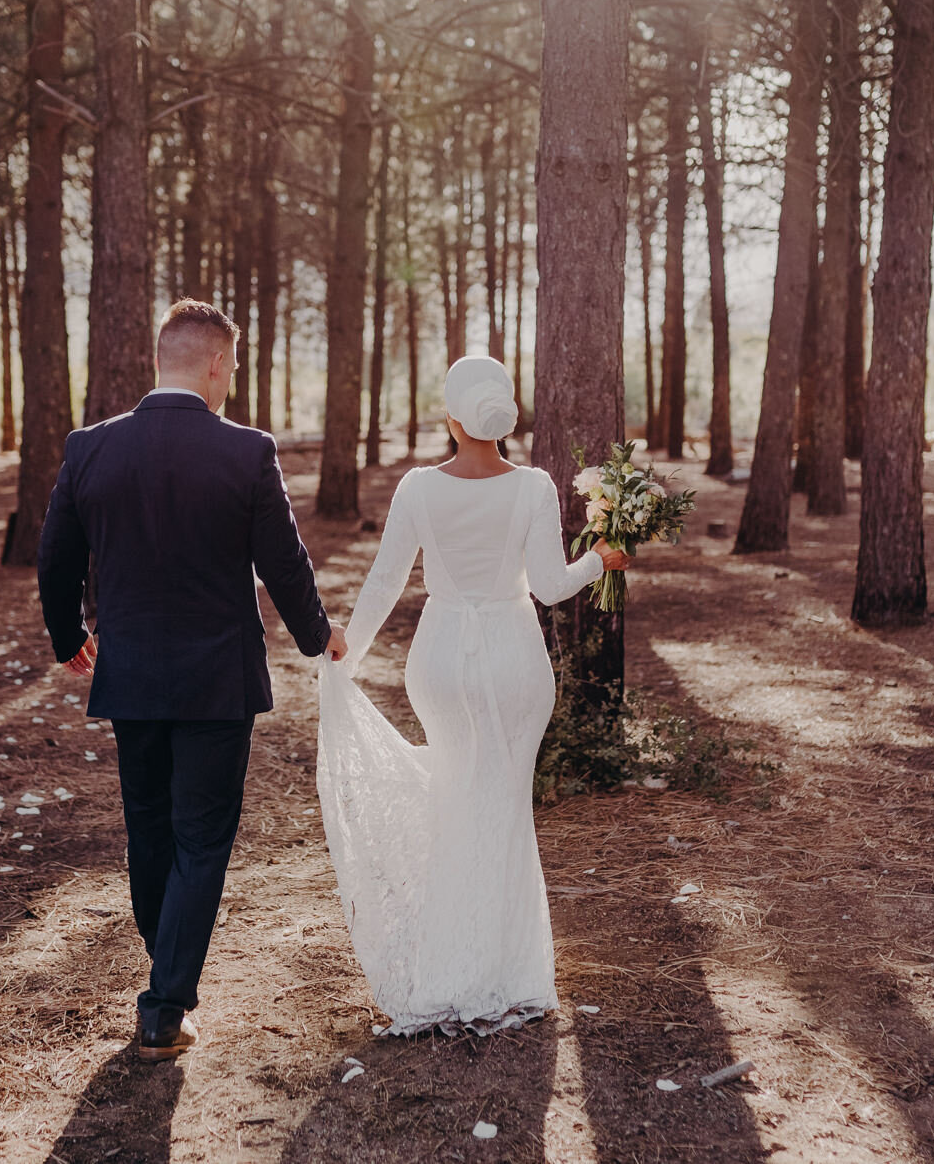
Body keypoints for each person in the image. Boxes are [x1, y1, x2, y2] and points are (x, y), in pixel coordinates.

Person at [38, 299, 345, 1061]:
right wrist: (319, 634)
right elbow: (284, 561)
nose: (231, 378)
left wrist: (68, 634)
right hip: (216, 680)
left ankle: (166, 962)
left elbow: (54, 555)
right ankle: (165, 1003)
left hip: (132, 673)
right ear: (214, 363)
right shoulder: (246, 451)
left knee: (149, 828)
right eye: (232, 366)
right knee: (201, 839)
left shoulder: (91, 448)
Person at [317, 354, 628, 1035]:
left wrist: (351, 647)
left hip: (442, 661)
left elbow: (383, 581)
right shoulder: (534, 485)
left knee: (457, 801)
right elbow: (549, 586)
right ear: (503, 411)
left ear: (453, 415)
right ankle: (508, 972)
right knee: (505, 809)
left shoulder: (419, 487)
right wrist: (598, 560)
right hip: (515, 658)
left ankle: (450, 965)